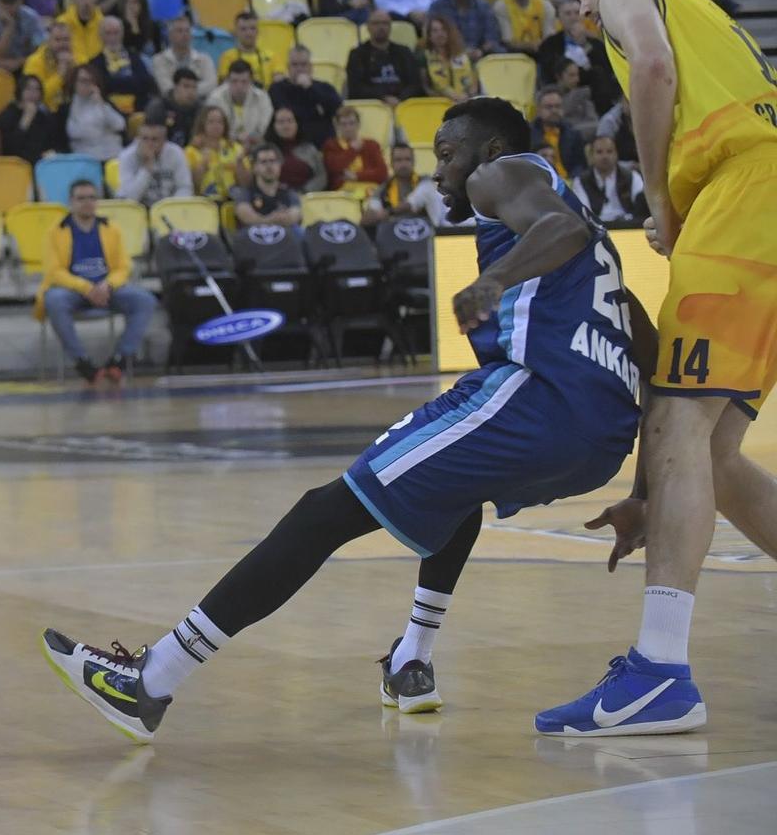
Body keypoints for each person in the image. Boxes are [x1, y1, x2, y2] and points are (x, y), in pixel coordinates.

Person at [42, 98, 646, 742]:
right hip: (604, 434)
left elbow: (560, 230)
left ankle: (152, 680)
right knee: (452, 487)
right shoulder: (594, 235)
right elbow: (652, 348)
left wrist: (493, 280)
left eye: (447, 156)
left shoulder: (503, 175)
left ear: (490, 152)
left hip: (538, 402)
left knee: (322, 512)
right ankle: (412, 656)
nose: (439, 175)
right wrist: (643, 491)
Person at [540, 0, 777, 736]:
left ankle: (659, 672)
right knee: (711, 449)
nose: (582, 11)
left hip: (745, 199)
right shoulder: (718, 26)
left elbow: (651, 64)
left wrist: (661, 204)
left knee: (676, 415)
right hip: (758, 198)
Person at [37, 177, 155, 386]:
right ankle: (83, 363)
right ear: (71, 202)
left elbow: (123, 267)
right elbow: (54, 272)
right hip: (72, 291)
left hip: (107, 289)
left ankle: (119, 360)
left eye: (92, 197)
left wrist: (106, 285)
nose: (87, 202)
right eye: (81, 198)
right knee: (53, 300)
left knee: (144, 300)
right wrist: (87, 288)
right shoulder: (55, 231)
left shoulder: (111, 229)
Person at [537, 0, 618, 113]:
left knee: (598, 74)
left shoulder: (595, 43)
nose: (573, 17)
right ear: (559, 18)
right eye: (568, 13)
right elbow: (547, 72)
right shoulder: (549, 44)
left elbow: (606, 70)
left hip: (593, 89)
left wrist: (584, 44)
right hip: (562, 90)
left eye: (576, 13)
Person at [346, 8, 424, 105]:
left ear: (390, 26)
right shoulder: (357, 54)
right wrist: (383, 98)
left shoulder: (404, 52)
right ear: (368, 27)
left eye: (385, 23)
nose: (381, 27)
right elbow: (356, 88)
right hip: (373, 107)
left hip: (404, 106)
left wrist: (400, 99)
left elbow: (415, 85)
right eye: (376, 23)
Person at [267, 48, 343, 147]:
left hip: (320, 145)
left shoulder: (324, 87)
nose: (299, 69)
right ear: (288, 67)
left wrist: (310, 88)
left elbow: (338, 110)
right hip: (288, 145)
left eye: (303, 64)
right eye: (295, 65)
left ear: (311, 67)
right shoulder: (277, 89)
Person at [116, 116, 193, 208]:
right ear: (138, 138)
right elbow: (129, 199)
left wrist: (172, 208)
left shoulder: (176, 153)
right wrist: (146, 169)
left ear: (164, 141)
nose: (149, 144)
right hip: (139, 211)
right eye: (144, 138)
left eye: (154, 139)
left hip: (170, 209)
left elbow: (185, 187)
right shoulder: (127, 156)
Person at [363, 141, 448, 226]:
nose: (403, 164)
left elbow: (412, 204)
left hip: (431, 234)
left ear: (413, 162)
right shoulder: (383, 189)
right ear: (391, 163)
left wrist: (388, 212)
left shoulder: (426, 182)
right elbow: (370, 216)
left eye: (407, 159)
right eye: (398, 160)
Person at [573, 133, 648, 228]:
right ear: (591, 156)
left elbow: (641, 206)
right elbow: (585, 213)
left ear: (616, 153)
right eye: (599, 152)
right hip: (598, 228)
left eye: (609, 151)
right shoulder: (581, 181)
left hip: (627, 226)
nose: (605, 156)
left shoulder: (632, 176)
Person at [428, 0, 501, 60]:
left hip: (480, 57)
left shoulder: (483, 6)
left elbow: (492, 38)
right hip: (447, 58)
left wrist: (480, 51)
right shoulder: (437, 8)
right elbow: (430, 39)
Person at [230, 143, 302, 227]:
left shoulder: (289, 192)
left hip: (285, 236)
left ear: (280, 165)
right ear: (254, 167)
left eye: (272, 161)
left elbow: (295, 215)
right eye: (263, 162)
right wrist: (270, 220)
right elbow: (246, 216)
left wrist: (284, 218)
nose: (269, 166)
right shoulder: (244, 192)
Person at [0, 75, 65, 164]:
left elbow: (57, 143)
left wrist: (52, 152)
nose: (32, 93)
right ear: (20, 91)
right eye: (28, 88)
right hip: (15, 165)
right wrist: (26, 120)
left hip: (42, 164)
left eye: (37, 89)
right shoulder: (7, 116)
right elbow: (9, 148)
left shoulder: (45, 117)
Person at [64, 66, 126, 160]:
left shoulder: (104, 103)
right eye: (83, 80)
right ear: (74, 82)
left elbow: (120, 125)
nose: (87, 84)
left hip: (112, 155)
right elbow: (73, 133)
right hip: (83, 159)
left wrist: (101, 105)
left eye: (91, 81)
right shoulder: (66, 109)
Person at [322, 105, 388, 192]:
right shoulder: (331, 145)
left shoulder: (371, 145)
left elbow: (382, 173)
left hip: (370, 191)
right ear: (337, 126)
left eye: (352, 123)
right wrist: (352, 150)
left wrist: (357, 176)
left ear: (358, 124)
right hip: (343, 193)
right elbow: (333, 169)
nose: (348, 128)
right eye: (343, 124)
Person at [148, 14, 215, 98]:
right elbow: (166, 88)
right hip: (170, 105)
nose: (184, 34)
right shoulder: (159, 60)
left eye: (187, 31)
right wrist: (191, 90)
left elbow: (211, 85)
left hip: (200, 104)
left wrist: (186, 92)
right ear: (170, 36)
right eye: (179, 31)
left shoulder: (205, 59)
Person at [264, 107, 327, 192]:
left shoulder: (310, 149)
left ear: (297, 124)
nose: (286, 126)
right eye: (281, 122)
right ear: (273, 126)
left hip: (306, 198)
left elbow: (321, 176)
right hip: (274, 197)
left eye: (290, 121)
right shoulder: (265, 150)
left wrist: (304, 191)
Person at [420, 15, 479, 102]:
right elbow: (425, 87)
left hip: (467, 100)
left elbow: (474, 83)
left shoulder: (463, 55)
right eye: (435, 31)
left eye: (443, 29)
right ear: (429, 36)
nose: (440, 34)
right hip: (439, 102)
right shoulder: (423, 57)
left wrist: (468, 95)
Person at [213, 61, 273, 145]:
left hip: (254, 145)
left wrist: (250, 137)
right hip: (223, 144)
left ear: (251, 81)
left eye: (244, 82)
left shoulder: (262, 98)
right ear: (227, 80)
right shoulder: (216, 98)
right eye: (234, 81)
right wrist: (236, 138)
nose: (239, 86)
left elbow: (264, 128)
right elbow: (213, 129)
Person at [217, 11, 281, 89]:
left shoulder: (271, 56)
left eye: (252, 28)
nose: (248, 33)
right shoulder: (227, 56)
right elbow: (224, 86)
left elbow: (279, 82)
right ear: (236, 32)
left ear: (258, 31)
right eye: (243, 29)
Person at [144, 67, 203, 148]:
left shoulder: (200, 109)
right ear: (175, 86)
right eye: (186, 86)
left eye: (194, 87)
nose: (191, 91)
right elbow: (151, 137)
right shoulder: (158, 107)